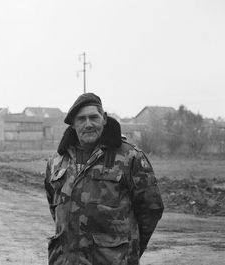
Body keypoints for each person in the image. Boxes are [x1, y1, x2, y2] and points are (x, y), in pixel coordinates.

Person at [45, 93, 164, 265]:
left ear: (104, 119)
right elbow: (55, 209)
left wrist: (128, 251)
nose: (88, 124)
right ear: (73, 124)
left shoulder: (130, 157)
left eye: (93, 117)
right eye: (81, 119)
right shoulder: (56, 162)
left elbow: (151, 210)